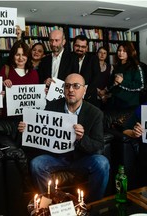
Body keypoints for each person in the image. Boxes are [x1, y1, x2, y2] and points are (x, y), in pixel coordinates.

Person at [18, 73, 110, 202]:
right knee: (36, 164)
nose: (71, 90)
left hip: (81, 158)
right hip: (56, 157)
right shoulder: (52, 106)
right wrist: (27, 130)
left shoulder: (95, 113)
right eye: (67, 86)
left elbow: (98, 145)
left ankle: (91, 205)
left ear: (84, 90)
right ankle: (50, 204)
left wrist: (81, 138)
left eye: (76, 86)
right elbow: (41, 133)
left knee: (102, 163)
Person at [105, 41, 144, 111]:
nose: (121, 53)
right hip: (115, 102)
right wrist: (113, 83)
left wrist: (122, 82)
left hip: (129, 104)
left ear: (129, 52)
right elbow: (110, 84)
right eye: (119, 50)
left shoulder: (136, 67)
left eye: (124, 51)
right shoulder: (116, 67)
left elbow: (140, 86)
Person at [72, 34, 100, 106]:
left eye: (83, 47)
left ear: (87, 48)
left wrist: (85, 93)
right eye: (77, 46)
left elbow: (96, 78)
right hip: (71, 96)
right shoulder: (68, 58)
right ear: (73, 45)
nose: (80, 49)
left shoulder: (93, 59)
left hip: (88, 97)